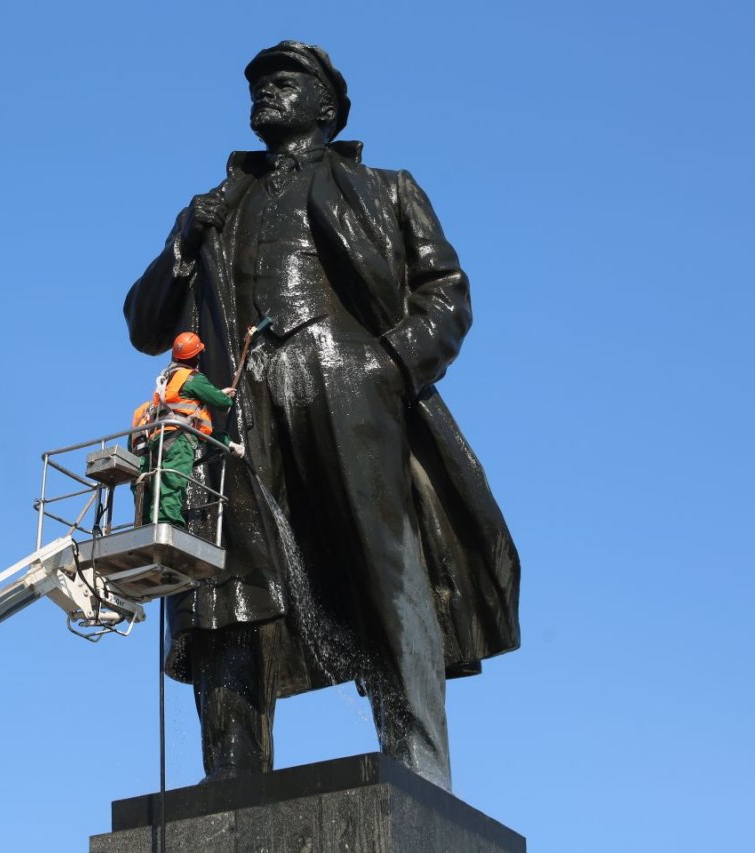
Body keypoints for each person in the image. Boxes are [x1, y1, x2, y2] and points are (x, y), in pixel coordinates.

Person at [123, 41, 520, 790]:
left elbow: (446, 293)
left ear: (328, 106)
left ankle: (416, 763)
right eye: (258, 83)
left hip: (342, 380)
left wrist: (388, 363)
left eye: (285, 81)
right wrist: (182, 240)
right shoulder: (213, 209)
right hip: (232, 403)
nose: (266, 91)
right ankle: (232, 776)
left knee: (380, 565)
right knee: (223, 579)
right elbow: (144, 324)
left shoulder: (385, 188)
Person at [132, 331, 243, 528]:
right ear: (196, 357)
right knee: (173, 480)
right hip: (179, 441)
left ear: (174, 355)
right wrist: (221, 395)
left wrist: (229, 443)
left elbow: (192, 416)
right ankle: (167, 523)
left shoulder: (167, 379)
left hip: (159, 438)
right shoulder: (193, 378)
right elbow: (223, 403)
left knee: (157, 480)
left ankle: (148, 524)